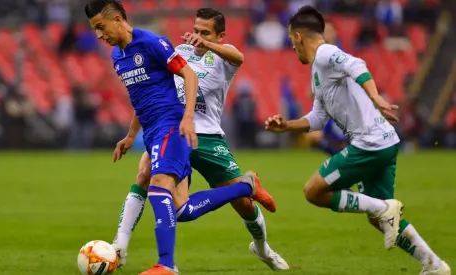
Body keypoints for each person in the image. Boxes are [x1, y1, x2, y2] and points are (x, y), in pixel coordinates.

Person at [85, 1, 276, 274]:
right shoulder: (120, 57)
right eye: (95, 30)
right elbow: (142, 97)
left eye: (100, 27)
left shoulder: (154, 43)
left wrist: (186, 117)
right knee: (181, 209)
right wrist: (130, 135)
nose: (99, 35)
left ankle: (164, 263)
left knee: (156, 183)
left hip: (177, 127)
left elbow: (193, 73)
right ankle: (246, 187)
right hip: (154, 130)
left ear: (117, 19)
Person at [264, 6, 450, 275]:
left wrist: (375, 98)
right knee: (381, 221)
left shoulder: (326, 53)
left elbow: (357, 65)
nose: (292, 47)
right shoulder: (318, 71)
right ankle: (433, 263)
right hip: (384, 142)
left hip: (368, 144)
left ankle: (382, 207)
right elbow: (317, 118)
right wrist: (287, 126)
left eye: (292, 41)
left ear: (299, 37)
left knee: (313, 191)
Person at [306, 20, 347, 156]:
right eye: (324, 32)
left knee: (344, 142)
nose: (326, 35)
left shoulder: (341, 56)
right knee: (313, 137)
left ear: (335, 33)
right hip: (326, 110)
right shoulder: (317, 58)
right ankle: (341, 159)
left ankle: (346, 160)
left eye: (329, 31)